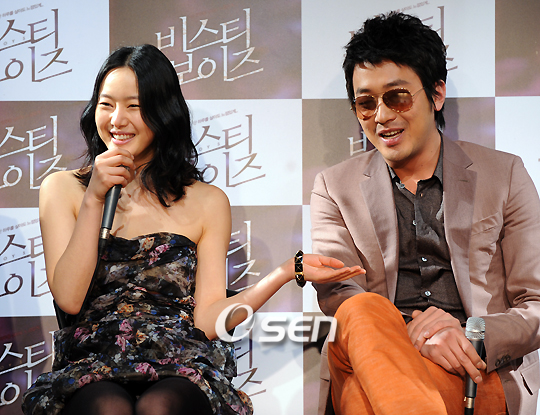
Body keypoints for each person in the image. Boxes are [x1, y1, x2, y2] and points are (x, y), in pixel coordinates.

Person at [21, 44, 363, 415]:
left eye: (134, 106)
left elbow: (208, 319)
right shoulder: (63, 189)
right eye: (107, 105)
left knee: (161, 406)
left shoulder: (207, 201)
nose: (117, 119)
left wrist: (285, 272)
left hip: (179, 362)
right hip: (92, 363)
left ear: (163, 113)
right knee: (107, 407)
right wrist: (94, 198)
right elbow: (69, 299)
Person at [311, 12, 540, 415]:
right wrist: (414, 335)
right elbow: (339, 294)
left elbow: (535, 301)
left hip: (472, 366)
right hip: (376, 354)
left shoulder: (504, 174)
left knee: (364, 401)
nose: (381, 116)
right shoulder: (334, 186)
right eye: (365, 103)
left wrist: (471, 336)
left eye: (397, 97)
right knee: (361, 309)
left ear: (436, 94)